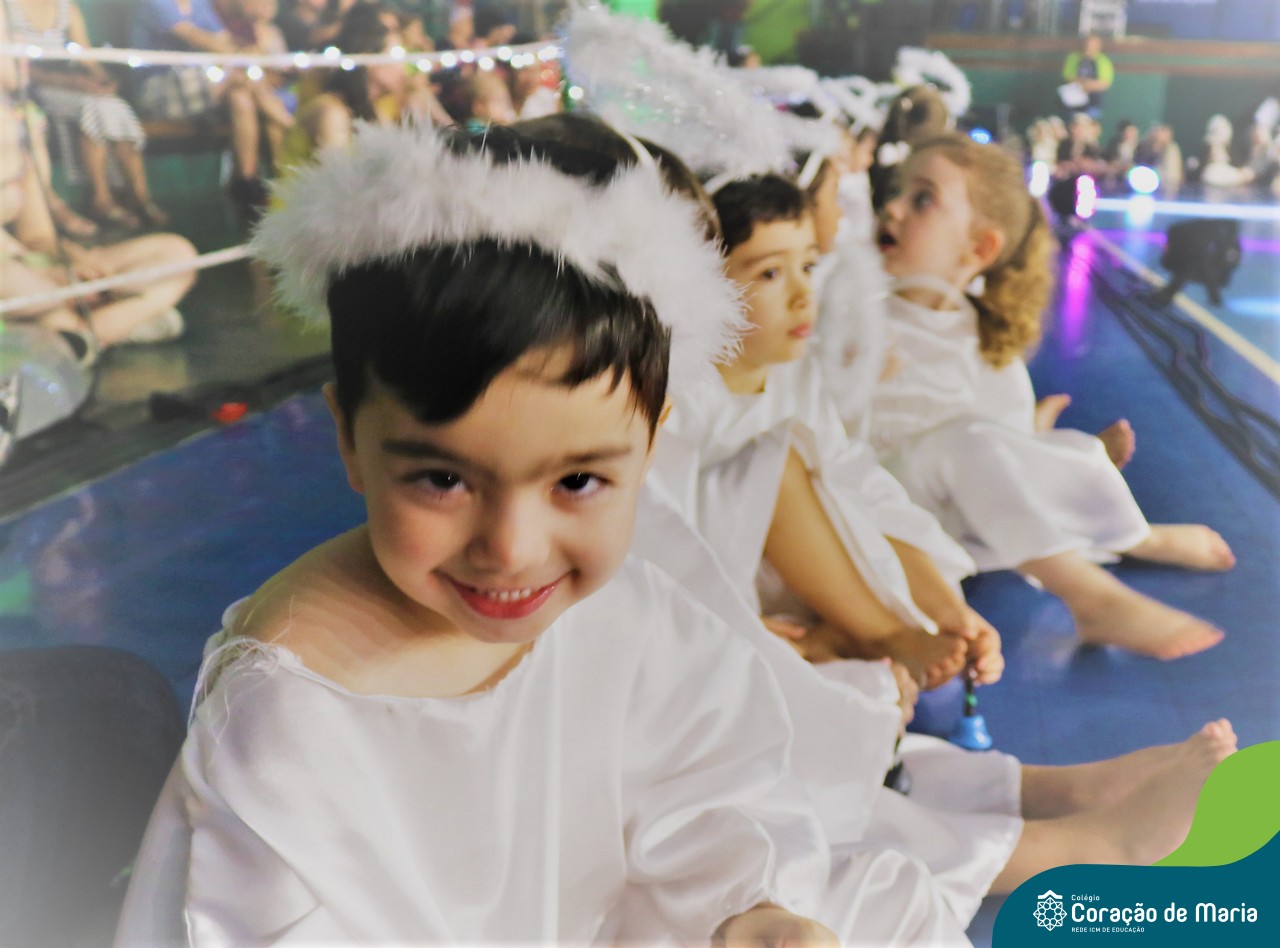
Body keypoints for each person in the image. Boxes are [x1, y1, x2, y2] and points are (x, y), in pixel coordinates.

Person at [114, 121, 970, 946]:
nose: (513, 550)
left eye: (578, 482)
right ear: (348, 436)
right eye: (442, 479)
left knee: (888, 907)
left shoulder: (627, 607)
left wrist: (748, 906)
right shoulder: (292, 712)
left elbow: (707, 779)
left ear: (652, 442)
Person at [870, 132, 1236, 661]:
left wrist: (1029, 439)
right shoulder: (855, 313)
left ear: (979, 249)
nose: (893, 208)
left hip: (947, 516)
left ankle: (1125, 527)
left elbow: (994, 451)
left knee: (1049, 451)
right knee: (973, 446)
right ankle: (1101, 582)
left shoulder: (979, 340)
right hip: (873, 513)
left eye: (922, 198)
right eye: (895, 191)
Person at [5, 0, 167, 230]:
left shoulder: (66, 8)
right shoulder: (8, 8)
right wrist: (70, 82)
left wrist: (103, 80)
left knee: (114, 105)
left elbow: (85, 53)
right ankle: (101, 198)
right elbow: (14, 70)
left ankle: (140, 198)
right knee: (93, 108)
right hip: (34, 88)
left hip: (71, 84)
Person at [1061, 33, 1113, 120]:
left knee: (1091, 119)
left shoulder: (1104, 60)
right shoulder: (1073, 57)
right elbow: (1067, 76)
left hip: (1093, 99)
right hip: (1073, 98)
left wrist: (1087, 86)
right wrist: (1081, 85)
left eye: (1093, 45)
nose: (1089, 47)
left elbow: (1105, 83)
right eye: (1087, 44)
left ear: (1099, 46)